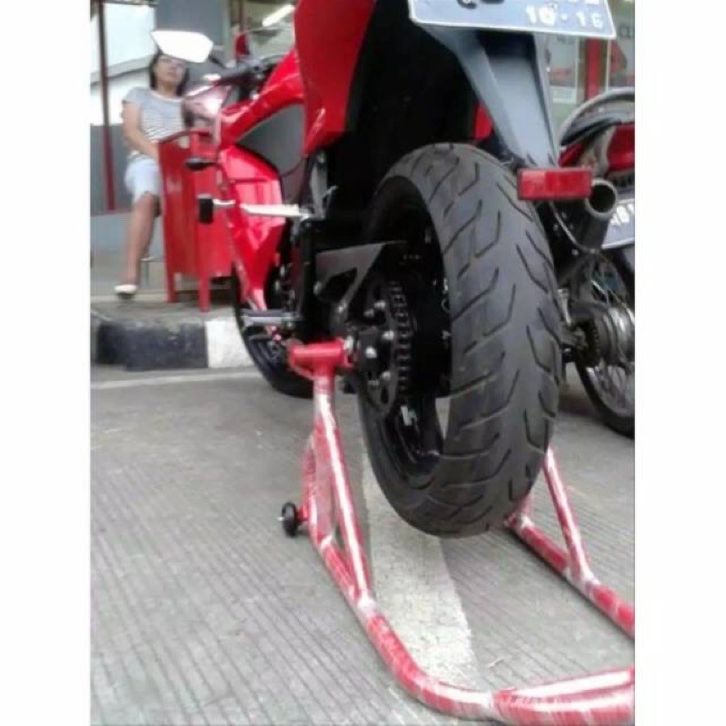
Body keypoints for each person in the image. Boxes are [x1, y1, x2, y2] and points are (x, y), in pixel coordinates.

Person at [115, 51, 189, 299]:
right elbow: (132, 132)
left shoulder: (190, 103)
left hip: (183, 163)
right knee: (147, 196)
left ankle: (201, 270)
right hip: (147, 159)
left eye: (180, 64)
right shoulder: (138, 95)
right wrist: (163, 158)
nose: (173, 67)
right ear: (154, 68)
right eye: (166, 61)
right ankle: (130, 273)